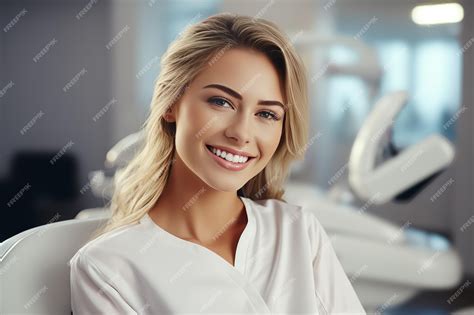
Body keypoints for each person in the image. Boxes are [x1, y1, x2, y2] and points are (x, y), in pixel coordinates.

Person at [69, 12, 366, 314]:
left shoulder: (297, 232)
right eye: (221, 102)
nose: (241, 133)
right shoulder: (107, 267)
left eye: (266, 114)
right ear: (171, 104)